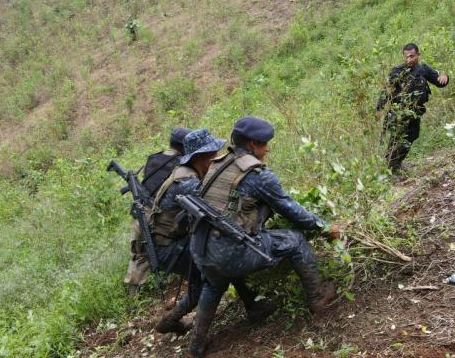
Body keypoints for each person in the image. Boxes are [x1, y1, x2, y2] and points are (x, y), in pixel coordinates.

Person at [187, 117, 338, 357]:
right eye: (265, 144)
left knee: (213, 285)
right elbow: (292, 210)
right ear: (253, 144)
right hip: (229, 253)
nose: (267, 149)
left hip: (201, 250)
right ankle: (318, 298)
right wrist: (325, 226)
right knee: (295, 239)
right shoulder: (257, 175)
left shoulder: (218, 164)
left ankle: (196, 346)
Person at [151, 129, 275, 335]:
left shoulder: (187, 173)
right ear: (199, 158)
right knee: (216, 269)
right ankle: (174, 321)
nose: (216, 160)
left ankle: (254, 306)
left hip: (171, 242)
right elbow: (219, 211)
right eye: (212, 156)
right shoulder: (188, 183)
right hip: (168, 248)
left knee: (219, 258)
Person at [123, 127, 191, 297]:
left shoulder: (153, 158)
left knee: (138, 254)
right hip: (161, 218)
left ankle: (133, 294)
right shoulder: (181, 164)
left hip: (142, 215)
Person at [377, 43, 449, 172]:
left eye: (412, 56)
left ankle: (395, 164)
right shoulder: (397, 71)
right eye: (406, 57)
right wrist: (379, 109)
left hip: (415, 112)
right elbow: (386, 91)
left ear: (418, 55)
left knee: (412, 136)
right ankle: (390, 168)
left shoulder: (423, 69)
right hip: (399, 112)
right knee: (397, 139)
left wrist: (444, 76)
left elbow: (439, 81)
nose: (408, 59)